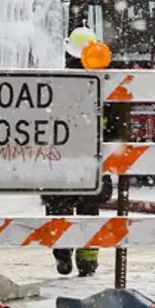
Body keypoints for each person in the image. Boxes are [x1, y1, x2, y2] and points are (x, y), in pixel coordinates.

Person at [41, 26, 113, 277]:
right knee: (89, 213)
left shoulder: (55, 83)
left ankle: (62, 256)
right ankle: (88, 263)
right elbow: (116, 127)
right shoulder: (106, 85)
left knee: (58, 212)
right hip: (92, 163)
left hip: (59, 163)